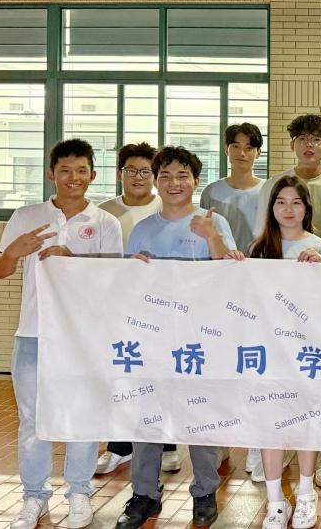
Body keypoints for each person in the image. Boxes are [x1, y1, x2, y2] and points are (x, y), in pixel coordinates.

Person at [0, 138, 123, 529]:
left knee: (83, 416)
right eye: (65, 170)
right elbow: (0, 269)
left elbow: (115, 280)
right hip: (34, 334)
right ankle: (34, 497)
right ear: (51, 173)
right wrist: (13, 252)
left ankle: (79, 493)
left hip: (84, 338)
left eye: (81, 170)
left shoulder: (105, 223)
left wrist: (74, 258)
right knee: (33, 421)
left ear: (93, 175)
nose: (73, 177)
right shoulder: (26, 215)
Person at [116, 146, 239, 529]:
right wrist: (134, 271)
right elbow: (127, 289)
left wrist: (212, 238)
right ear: (156, 181)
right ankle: (144, 494)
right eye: (165, 176)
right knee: (147, 420)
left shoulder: (213, 222)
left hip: (199, 340)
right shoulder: (143, 229)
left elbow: (233, 276)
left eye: (182, 175)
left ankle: (205, 491)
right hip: (153, 341)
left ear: (196, 181)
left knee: (200, 418)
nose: (174, 183)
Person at [246, 175, 321, 529]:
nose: (288, 209)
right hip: (269, 352)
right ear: (271, 208)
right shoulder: (259, 249)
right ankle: (275, 501)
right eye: (281, 202)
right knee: (270, 425)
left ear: (307, 208)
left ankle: (306, 493)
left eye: (296, 202)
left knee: (306, 423)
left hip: (308, 353)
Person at [96, 142, 179, 475]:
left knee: (162, 377)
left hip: (160, 310)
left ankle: (167, 445)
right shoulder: (104, 212)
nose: (139, 177)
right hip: (117, 309)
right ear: (120, 173)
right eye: (132, 170)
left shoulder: (167, 207)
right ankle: (119, 447)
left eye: (146, 171)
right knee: (122, 375)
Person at [253, 114, 321, 256]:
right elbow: (261, 232)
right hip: (280, 262)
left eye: (316, 139)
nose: (309, 144)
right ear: (292, 145)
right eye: (302, 138)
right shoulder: (272, 185)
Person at [200, 122, 266, 253]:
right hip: (221, 260)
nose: (241, 153)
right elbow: (203, 233)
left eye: (249, 148)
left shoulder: (268, 190)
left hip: (261, 260)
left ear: (258, 153)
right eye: (235, 146)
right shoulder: (211, 192)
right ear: (226, 149)